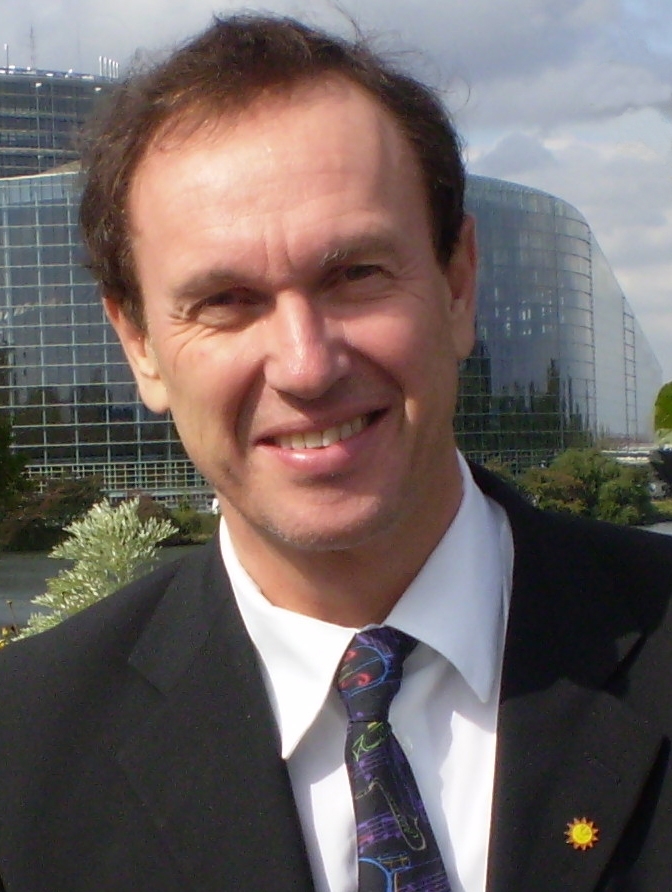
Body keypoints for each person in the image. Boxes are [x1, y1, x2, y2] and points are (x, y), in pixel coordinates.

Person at [1, 14, 671, 892]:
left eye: (355, 274)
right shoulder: (24, 754)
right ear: (140, 346)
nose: (307, 365)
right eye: (226, 301)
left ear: (458, 285)